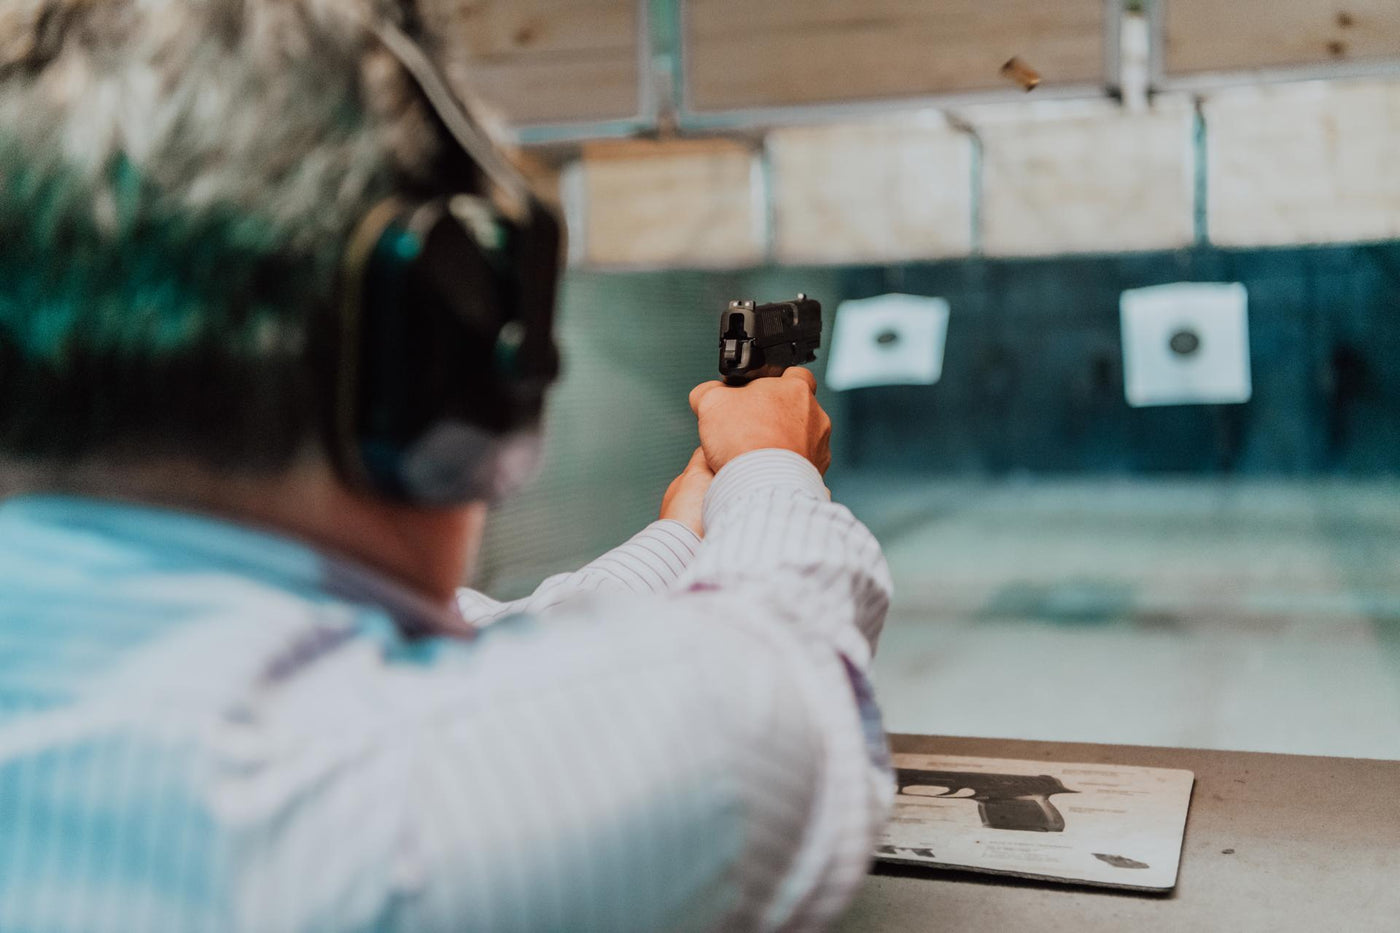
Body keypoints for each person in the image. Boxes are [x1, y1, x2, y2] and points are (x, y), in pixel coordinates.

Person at [0, 1, 893, 931]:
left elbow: (490, 639)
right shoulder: (396, 821)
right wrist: (771, 466)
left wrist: (684, 529)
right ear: (443, 372)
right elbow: (779, 707)